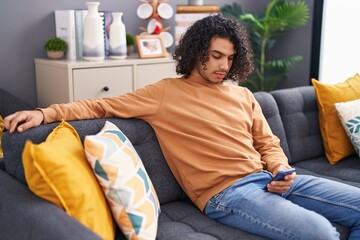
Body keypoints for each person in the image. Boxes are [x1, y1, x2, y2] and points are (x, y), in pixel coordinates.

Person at [4, 14, 360, 240]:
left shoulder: (241, 95)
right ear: (196, 53)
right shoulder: (165, 94)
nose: (223, 65)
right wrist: (44, 112)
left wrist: (281, 167)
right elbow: (99, 105)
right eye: (216, 55)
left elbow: (268, 143)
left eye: (231, 58)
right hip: (227, 194)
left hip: (272, 179)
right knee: (320, 234)